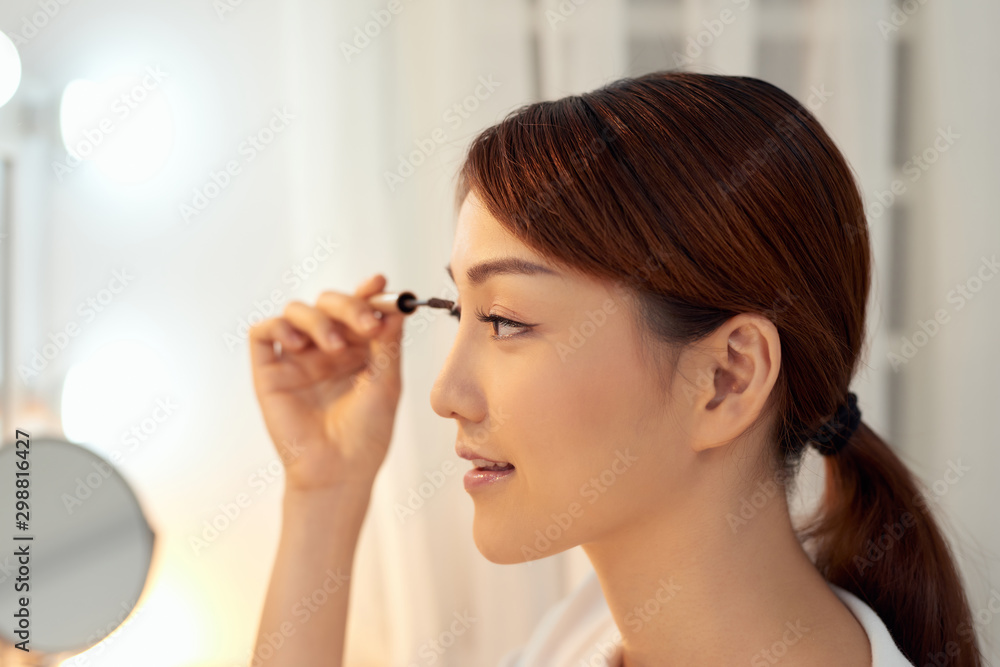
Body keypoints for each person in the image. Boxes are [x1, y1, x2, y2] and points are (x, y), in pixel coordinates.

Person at [248, 71, 985, 666]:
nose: (444, 394)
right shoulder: (584, 632)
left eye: (506, 319)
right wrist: (325, 487)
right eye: (456, 310)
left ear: (727, 377)